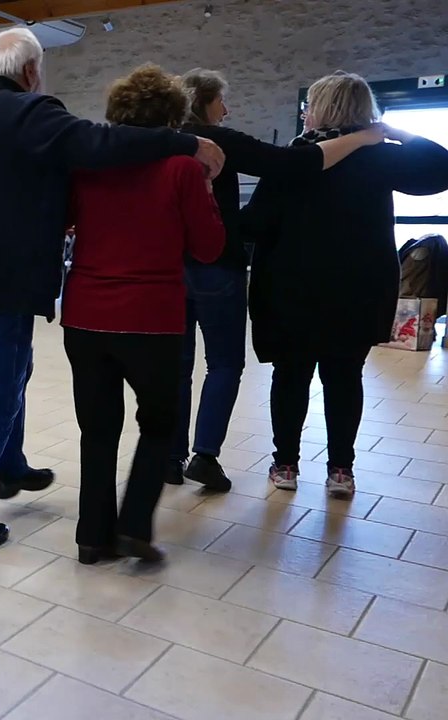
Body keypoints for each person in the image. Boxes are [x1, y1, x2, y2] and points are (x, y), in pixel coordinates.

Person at [0, 27, 226, 554]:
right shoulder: (30, 111)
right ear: (29, 72)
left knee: (18, 373)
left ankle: (12, 467)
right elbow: (100, 143)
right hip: (3, 285)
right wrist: (187, 144)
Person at [169, 69, 384, 491]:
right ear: (204, 102)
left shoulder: (158, 140)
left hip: (168, 268)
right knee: (225, 364)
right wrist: (364, 137)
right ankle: (206, 456)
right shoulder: (220, 140)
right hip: (218, 265)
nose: (226, 110)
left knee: (179, 365)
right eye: (221, 101)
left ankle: (171, 457)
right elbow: (290, 164)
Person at [243, 71, 448, 499]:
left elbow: (256, 223)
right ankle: (341, 470)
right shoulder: (379, 158)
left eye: (310, 105)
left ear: (323, 109)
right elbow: (440, 168)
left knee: (291, 376)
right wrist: (395, 133)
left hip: (292, 288)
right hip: (358, 290)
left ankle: (286, 464)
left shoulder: (297, 159)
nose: (305, 113)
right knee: (344, 377)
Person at [62, 65, 226, 564]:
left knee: (97, 429)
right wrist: (209, 196)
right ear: (174, 119)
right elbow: (209, 247)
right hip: (151, 318)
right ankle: (134, 525)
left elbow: (64, 220)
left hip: (85, 313)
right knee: (159, 423)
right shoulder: (182, 170)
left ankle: (92, 537)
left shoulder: (88, 167)